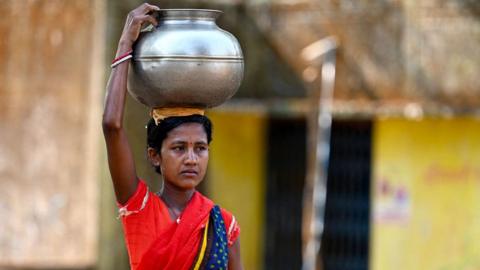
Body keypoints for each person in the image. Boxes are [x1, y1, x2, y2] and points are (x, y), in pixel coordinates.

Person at [102, 3, 243, 270]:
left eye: (200, 148)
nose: (191, 158)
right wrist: (125, 44)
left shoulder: (223, 225)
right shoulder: (140, 208)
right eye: (179, 148)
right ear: (155, 156)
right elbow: (111, 125)